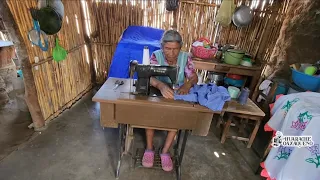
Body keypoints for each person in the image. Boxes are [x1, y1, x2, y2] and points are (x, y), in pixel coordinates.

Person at [142, 30, 198, 171]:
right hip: (158, 91)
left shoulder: (186, 57)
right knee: (149, 117)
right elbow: (148, 76)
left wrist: (187, 84)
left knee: (175, 120)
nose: (172, 53)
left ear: (180, 48)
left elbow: (193, 77)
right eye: (168, 49)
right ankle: (149, 149)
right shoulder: (156, 56)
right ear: (162, 47)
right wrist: (160, 85)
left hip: (176, 92)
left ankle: (165, 151)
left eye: (175, 49)